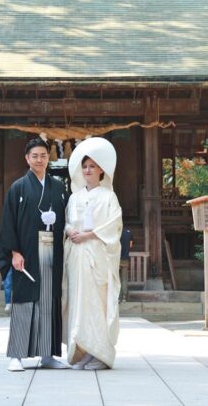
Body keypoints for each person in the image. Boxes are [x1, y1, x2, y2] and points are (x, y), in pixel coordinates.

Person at [0, 137, 69, 372]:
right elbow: (8, 222)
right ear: (27, 159)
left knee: (49, 299)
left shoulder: (59, 188)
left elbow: (69, 219)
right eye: (35, 156)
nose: (39, 160)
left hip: (52, 250)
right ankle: (17, 355)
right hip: (26, 252)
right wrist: (14, 253)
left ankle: (48, 354)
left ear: (49, 158)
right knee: (24, 300)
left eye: (43, 155)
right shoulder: (18, 187)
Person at [63, 137, 123, 370]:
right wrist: (70, 230)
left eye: (92, 166)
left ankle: (100, 353)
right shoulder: (74, 197)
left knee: (97, 303)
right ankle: (82, 350)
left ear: (101, 171)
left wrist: (88, 235)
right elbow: (67, 222)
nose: (88, 170)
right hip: (76, 256)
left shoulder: (109, 196)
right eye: (85, 166)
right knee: (78, 302)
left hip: (97, 255)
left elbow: (114, 225)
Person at [119, 227, 132, 303]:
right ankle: (124, 297)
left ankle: (118, 297)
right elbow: (130, 245)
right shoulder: (129, 233)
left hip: (117, 259)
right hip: (125, 259)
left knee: (117, 279)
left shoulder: (116, 233)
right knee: (124, 279)